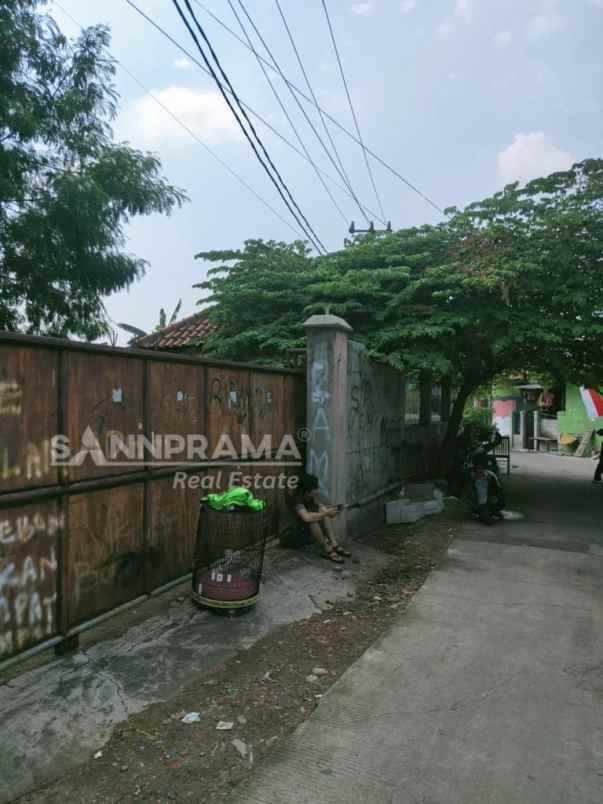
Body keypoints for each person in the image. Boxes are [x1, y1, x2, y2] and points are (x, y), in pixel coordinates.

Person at [287, 473, 351, 563]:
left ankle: (333, 543)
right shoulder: (295, 499)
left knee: (322, 510)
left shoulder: (310, 497)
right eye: (315, 488)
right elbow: (306, 518)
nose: (318, 490)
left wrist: (334, 510)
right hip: (293, 535)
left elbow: (323, 509)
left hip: (304, 531)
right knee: (313, 520)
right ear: (307, 490)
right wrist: (326, 513)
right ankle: (326, 549)